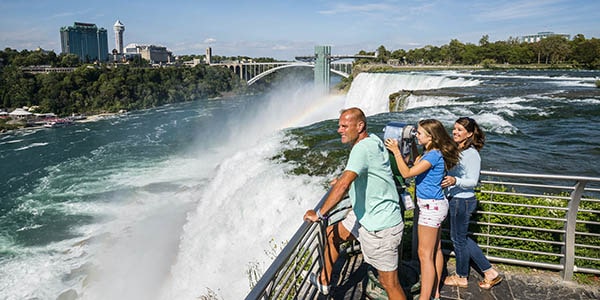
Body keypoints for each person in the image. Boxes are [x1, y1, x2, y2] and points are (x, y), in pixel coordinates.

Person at [304, 107, 406, 299]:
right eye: (339, 125)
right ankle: (324, 280)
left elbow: (344, 185)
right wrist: (343, 179)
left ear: (360, 126)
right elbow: (363, 172)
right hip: (364, 215)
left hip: (381, 226)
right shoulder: (374, 140)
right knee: (331, 233)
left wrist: (319, 214)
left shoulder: (361, 148)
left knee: (389, 283)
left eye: (344, 126)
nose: (339, 130)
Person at [385, 119, 460, 300]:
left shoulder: (433, 155)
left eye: (419, 133)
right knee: (435, 250)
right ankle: (434, 292)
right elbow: (417, 162)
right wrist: (412, 145)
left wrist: (395, 151)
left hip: (430, 207)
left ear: (431, 136)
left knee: (424, 254)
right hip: (436, 205)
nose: (416, 135)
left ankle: (425, 298)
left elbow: (407, 173)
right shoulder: (432, 152)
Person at [441, 117, 502, 289]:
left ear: (469, 134)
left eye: (460, 129)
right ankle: (490, 272)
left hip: (463, 200)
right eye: (454, 128)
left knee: (459, 239)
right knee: (460, 238)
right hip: (455, 199)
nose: (455, 132)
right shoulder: (457, 149)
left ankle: (462, 276)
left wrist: (455, 181)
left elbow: (473, 181)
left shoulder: (472, 154)